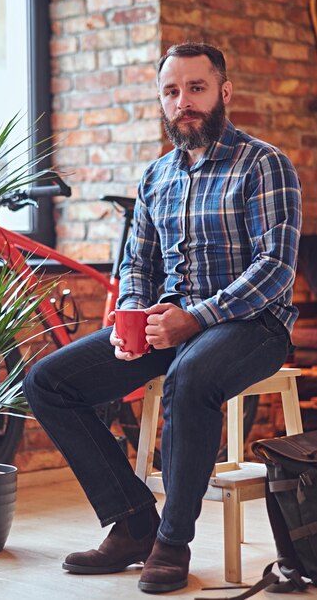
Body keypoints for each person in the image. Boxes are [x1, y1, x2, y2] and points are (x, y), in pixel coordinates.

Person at [23, 42, 302, 594]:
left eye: (195, 88)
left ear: (224, 93)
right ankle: (132, 524)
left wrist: (195, 319)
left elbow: (276, 268)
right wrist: (131, 315)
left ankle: (173, 542)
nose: (183, 102)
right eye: (171, 92)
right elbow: (138, 264)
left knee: (190, 376)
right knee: (49, 381)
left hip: (254, 325)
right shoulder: (156, 178)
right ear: (161, 101)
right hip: (169, 323)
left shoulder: (264, 164)